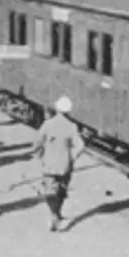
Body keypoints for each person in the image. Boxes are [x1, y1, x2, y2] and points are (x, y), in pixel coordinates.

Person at [33, 96, 87, 231]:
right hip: (65, 165)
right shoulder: (72, 127)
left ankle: (53, 214)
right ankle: (58, 212)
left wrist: (40, 155)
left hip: (49, 163)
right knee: (62, 190)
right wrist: (71, 156)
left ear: (57, 109)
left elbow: (37, 143)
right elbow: (80, 145)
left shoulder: (48, 124)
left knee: (50, 191)